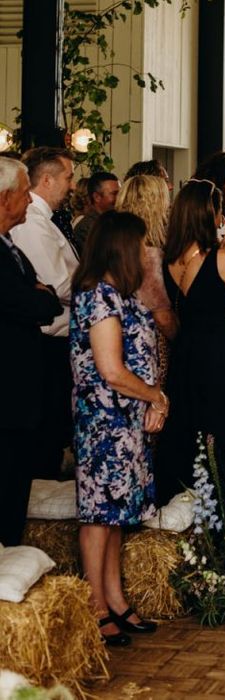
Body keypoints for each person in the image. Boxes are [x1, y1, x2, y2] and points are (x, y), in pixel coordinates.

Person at [70, 210, 166, 646]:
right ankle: (95, 605)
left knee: (115, 516)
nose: (147, 253)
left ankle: (115, 597)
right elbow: (111, 369)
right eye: (141, 244)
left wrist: (153, 398)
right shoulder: (98, 296)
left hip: (127, 421)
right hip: (104, 421)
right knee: (98, 514)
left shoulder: (123, 295)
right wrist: (155, 396)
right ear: (121, 248)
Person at [155, 179, 225, 505]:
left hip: (187, 356)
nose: (223, 220)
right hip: (222, 356)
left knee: (191, 430)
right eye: (219, 212)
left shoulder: (169, 260)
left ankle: (189, 505)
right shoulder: (222, 258)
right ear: (209, 214)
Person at [0, 158, 63, 545]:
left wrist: (42, 298)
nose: (28, 200)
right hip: (6, 389)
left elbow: (47, 298)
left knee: (17, 480)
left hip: (20, 390)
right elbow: (29, 303)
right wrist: (40, 299)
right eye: (25, 193)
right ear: (6, 197)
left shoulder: (10, 247)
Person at [11, 146, 78, 479]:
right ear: (48, 180)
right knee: (46, 429)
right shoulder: (32, 223)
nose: (73, 186)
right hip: (47, 341)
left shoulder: (44, 221)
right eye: (68, 177)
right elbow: (58, 285)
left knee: (53, 426)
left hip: (57, 338)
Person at [115, 175, 177, 343]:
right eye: (166, 201)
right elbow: (162, 318)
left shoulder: (114, 246)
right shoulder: (148, 255)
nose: (169, 207)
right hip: (148, 342)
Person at [73, 172, 121, 250]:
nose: (120, 198)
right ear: (97, 197)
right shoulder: (86, 228)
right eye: (114, 194)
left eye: (120, 193)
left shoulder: (113, 221)